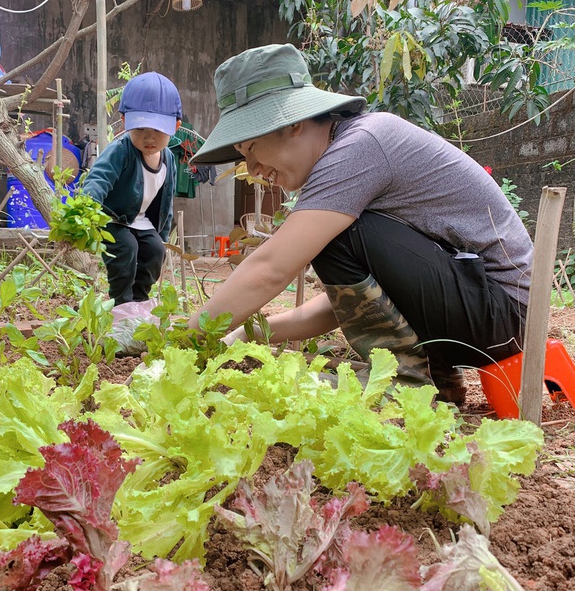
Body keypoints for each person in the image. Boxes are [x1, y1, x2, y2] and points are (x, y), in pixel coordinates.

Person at [188, 43, 533, 403]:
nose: (252, 169)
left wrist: (184, 340)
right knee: (336, 232)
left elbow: (271, 269)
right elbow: (358, 304)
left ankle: (404, 382)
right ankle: (433, 377)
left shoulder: (361, 146)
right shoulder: (353, 156)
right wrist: (247, 333)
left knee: (336, 234)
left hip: (500, 313)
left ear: (291, 123)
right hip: (488, 316)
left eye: (251, 148)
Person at [82, 71, 182, 306]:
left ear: (175, 127)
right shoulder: (120, 150)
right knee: (126, 248)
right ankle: (122, 302)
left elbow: (166, 206)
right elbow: (99, 179)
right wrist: (87, 208)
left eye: (158, 130)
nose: (149, 137)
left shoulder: (169, 160)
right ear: (125, 122)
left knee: (156, 250)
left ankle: (139, 300)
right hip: (114, 219)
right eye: (140, 129)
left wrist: (162, 236)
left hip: (141, 221)